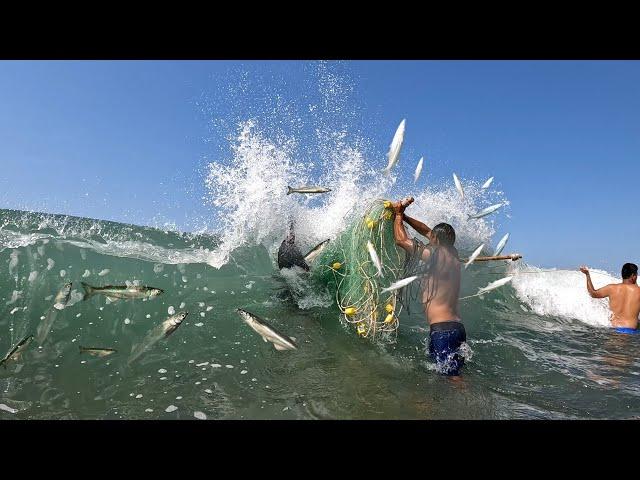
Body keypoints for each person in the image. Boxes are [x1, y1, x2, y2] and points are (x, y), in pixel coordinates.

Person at [391, 197, 466, 376]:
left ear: (437, 241)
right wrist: (406, 217)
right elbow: (425, 230)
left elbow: (401, 240)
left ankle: (470, 403)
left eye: (432, 238)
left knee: (453, 379)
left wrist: (399, 215)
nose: (429, 238)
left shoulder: (435, 257)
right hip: (453, 328)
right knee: (444, 375)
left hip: (443, 331)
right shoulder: (453, 254)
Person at [579, 263, 640, 333]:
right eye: (636, 275)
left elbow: (593, 293)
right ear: (633, 275)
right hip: (630, 331)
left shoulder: (611, 288)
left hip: (613, 329)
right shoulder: (638, 291)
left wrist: (587, 275)